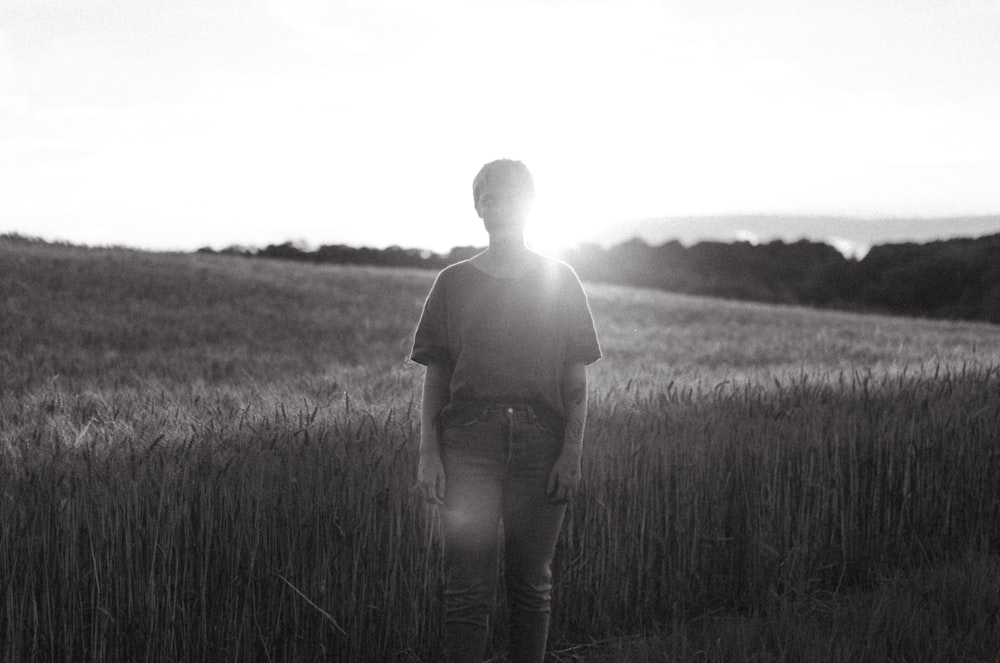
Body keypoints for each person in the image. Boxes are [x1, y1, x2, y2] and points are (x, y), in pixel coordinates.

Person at [410, 159, 602, 662]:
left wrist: (572, 451)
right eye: (489, 197)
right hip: (468, 446)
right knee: (467, 589)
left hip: (543, 444)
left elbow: (574, 375)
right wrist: (429, 453)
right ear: (478, 208)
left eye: (511, 196)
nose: (499, 206)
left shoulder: (561, 279)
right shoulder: (452, 283)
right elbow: (437, 377)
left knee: (532, 585)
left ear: (530, 204)